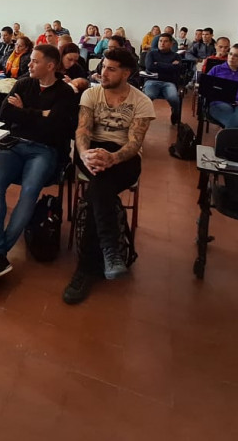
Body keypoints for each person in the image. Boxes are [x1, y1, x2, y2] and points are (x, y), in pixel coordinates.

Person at [0, 45, 79, 285]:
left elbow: (58, 127)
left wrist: (25, 112)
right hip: (14, 145)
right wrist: (41, 114)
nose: (29, 65)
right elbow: (6, 113)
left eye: (35, 61)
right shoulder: (22, 84)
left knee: (29, 192)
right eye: (30, 61)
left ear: (50, 66)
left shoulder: (65, 93)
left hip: (46, 151)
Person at [64, 47, 155, 305]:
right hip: (90, 154)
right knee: (100, 184)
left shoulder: (141, 102)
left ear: (126, 73)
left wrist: (113, 157)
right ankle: (109, 251)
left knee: (98, 188)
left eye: (111, 68)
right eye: (103, 66)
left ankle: (86, 268)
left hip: (124, 159)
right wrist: (83, 155)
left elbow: (135, 143)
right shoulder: (91, 94)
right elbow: (82, 131)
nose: (103, 72)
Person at [143, 33, 184, 125]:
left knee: (174, 98)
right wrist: (170, 66)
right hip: (152, 81)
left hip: (169, 83)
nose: (162, 43)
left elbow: (178, 68)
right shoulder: (151, 53)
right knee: (148, 96)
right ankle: (142, 118)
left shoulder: (176, 56)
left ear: (171, 44)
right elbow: (150, 67)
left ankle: (175, 114)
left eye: (165, 41)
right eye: (160, 41)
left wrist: (158, 64)